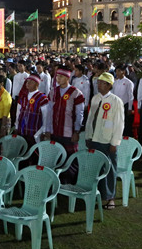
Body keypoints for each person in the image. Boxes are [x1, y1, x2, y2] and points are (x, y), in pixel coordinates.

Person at [84, 72, 124, 209]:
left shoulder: (115, 101)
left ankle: (110, 197)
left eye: (101, 83)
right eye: (98, 82)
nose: (98, 85)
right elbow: (90, 119)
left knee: (110, 169)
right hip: (95, 138)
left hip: (107, 140)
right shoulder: (95, 99)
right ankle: (98, 193)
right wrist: (88, 136)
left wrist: (115, 142)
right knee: (96, 168)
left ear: (109, 85)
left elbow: (119, 124)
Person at [48, 66, 86, 167]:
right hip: (54, 131)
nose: (58, 79)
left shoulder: (76, 93)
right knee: (56, 159)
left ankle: (71, 182)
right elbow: (49, 112)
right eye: (57, 76)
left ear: (67, 78)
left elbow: (79, 114)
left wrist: (76, 131)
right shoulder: (53, 92)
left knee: (70, 161)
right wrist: (47, 129)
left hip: (69, 133)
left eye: (61, 76)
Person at [14, 74, 51, 150]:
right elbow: (18, 113)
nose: (28, 83)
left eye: (31, 82)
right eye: (27, 81)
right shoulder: (23, 97)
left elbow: (46, 116)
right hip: (22, 130)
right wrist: (16, 126)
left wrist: (44, 131)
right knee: (22, 152)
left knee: (33, 153)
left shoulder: (43, 98)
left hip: (34, 132)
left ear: (37, 84)